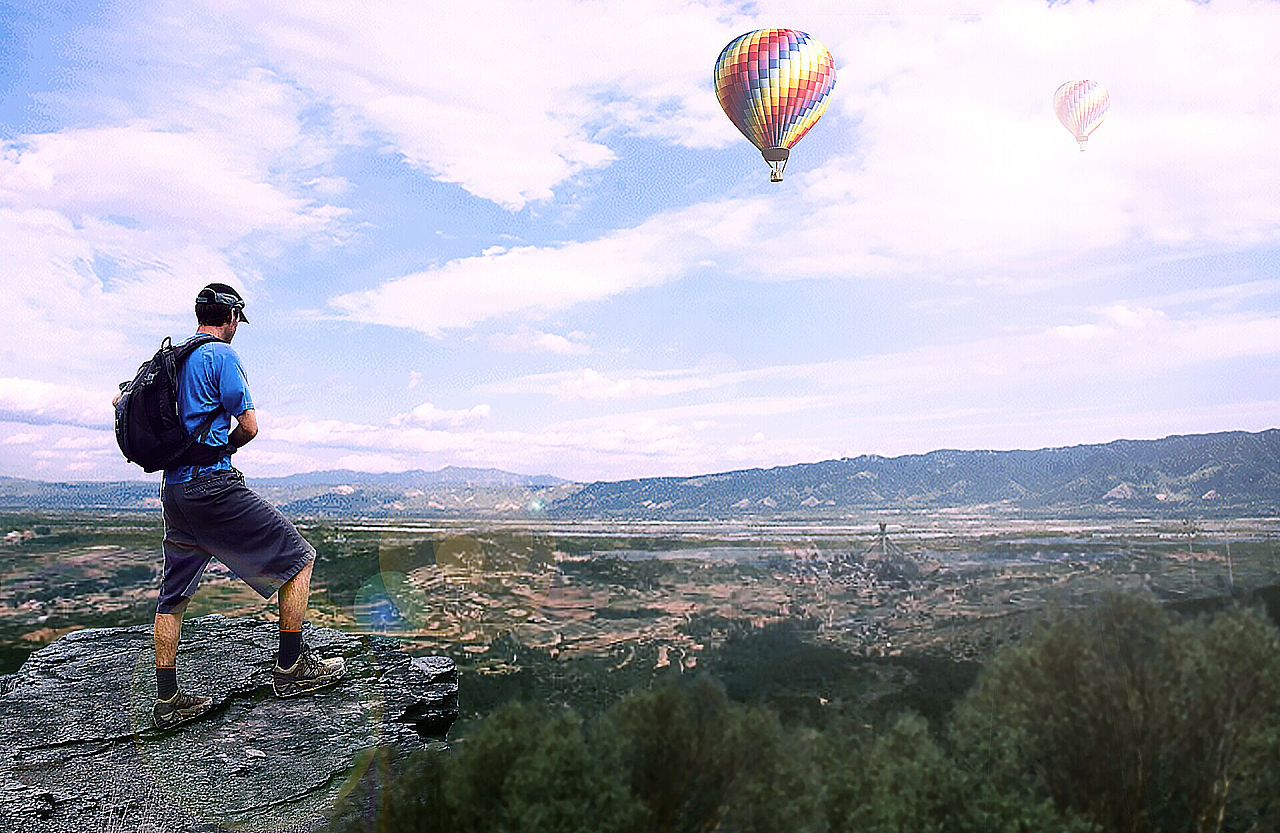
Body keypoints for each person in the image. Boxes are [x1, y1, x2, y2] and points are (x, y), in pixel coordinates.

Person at [138, 283, 345, 730]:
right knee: (299, 559)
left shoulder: (169, 361)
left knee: (171, 597)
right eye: (237, 321)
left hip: (175, 494)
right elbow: (249, 427)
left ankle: (168, 700)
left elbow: (125, 403)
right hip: (213, 488)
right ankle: (291, 670)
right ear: (230, 317)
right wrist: (217, 452)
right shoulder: (221, 357)